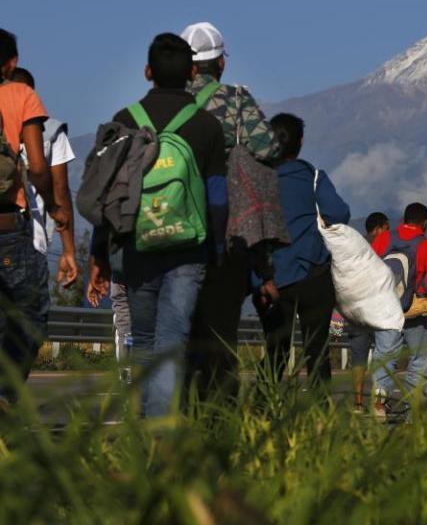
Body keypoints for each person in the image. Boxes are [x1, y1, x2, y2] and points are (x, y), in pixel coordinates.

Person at [87, 33, 227, 417]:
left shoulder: (125, 121)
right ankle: (160, 433)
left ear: (147, 71)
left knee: (145, 339)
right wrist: (216, 252)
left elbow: (108, 195)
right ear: (192, 72)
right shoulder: (206, 126)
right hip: (187, 250)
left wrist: (99, 253)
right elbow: (217, 198)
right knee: (171, 340)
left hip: (136, 245)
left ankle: (145, 426)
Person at [180, 21, 283, 400]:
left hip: (168, 231)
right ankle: (217, 424)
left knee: (175, 334)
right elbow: (268, 148)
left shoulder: (163, 103)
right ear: (220, 63)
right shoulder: (237, 100)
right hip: (225, 231)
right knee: (220, 335)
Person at [253, 113, 349, 385]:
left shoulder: (259, 181)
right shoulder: (314, 176)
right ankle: (319, 414)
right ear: (301, 142)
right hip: (313, 274)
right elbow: (338, 213)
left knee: (276, 349)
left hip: (272, 278)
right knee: (317, 350)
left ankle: (263, 408)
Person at [0, 28, 65, 407]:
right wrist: (53, 206)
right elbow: (38, 166)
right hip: (9, 227)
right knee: (30, 314)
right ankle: (7, 393)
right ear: (11, 62)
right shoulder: (21, 94)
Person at [8, 68, 78, 289]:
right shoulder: (52, 132)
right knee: (29, 318)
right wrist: (68, 251)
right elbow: (61, 190)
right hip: (31, 240)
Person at [371, 203, 427, 416]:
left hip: (387, 308)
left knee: (385, 356)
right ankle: (414, 409)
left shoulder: (384, 238)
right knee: (418, 358)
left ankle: (379, 405)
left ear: (404, 219)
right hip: (415, 309)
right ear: (424, 222)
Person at [348, 211, 391, 410]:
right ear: (379, 228)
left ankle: (358, 402)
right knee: (383, 354)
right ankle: (378, 403)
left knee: (358, 357)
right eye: (387, 228)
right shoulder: (385, 247)